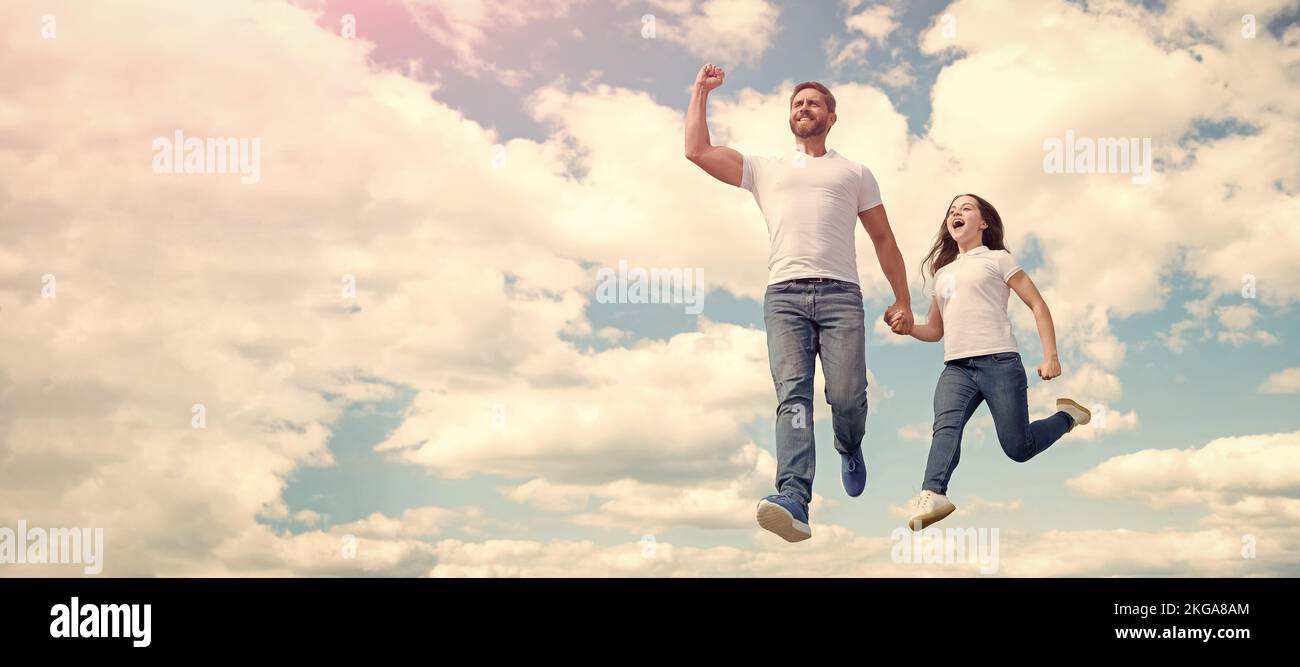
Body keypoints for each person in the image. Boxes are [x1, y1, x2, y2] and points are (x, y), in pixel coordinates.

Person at [684, 64, 912, 542]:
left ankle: (850, 445)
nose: (802, 108)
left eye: (812, 102)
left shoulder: (854, 172)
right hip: (784, 296)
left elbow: (884, 238)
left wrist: (903, 299)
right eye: (796, 103)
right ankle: (794, 496)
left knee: (847, 397)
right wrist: (700, 91)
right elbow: (697, 151)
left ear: (831, 116)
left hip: (841, 296)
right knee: (793, 397)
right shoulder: (765, 168)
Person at [892, 193, 1091, 530]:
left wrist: (1051, 355)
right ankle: (933, 493)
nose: (956, 213)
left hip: (999, 362)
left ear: (983, 222)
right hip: (957, 368)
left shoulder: (998, 260)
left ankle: (1067, 416)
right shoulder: (942, 275)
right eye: (951, 211)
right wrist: (909, 328)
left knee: (1019, 448)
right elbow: (935, 330)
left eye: (965, 208)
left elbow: (1038, 304)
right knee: (945, 427)